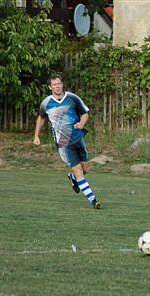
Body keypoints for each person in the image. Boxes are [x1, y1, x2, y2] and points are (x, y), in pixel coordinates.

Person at [33, 74, 101, 209]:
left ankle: (73, 178)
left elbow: (85, 113)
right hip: (63, 142)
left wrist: (82, 123)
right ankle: (93, 200)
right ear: (50, 87)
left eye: (59, 83)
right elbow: (41, 118)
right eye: (54, 84)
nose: (57, 86)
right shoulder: (46, 103)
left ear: (62, 84)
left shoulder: (72, 98)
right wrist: (36, 136)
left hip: (78, 137)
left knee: (85, 168)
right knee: (78, 170)